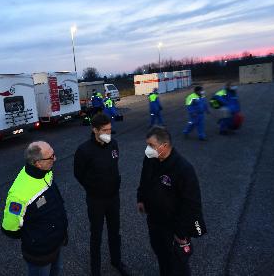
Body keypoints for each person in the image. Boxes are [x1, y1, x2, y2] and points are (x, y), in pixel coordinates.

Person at [137, 126, 207, 276]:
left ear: (165, 146)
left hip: (173, 228)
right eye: (147, 145)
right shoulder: (150, 160)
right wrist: (141, 198)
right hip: (155, 221)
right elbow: (144, 180)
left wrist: (181, 234)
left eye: (151, 146)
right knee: (161, 256)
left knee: (177, 265)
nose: (148, 150)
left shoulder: (183, 169)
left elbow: (192, 205)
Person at [74, 113, 129, 276]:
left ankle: (116, 261)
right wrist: (93, 188)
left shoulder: (114, 145)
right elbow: (78, 174)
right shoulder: (84, 150)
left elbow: (114, 167)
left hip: (113, 198)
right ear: (95, 130)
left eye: (110, 130)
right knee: (96, 235)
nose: (108, 133)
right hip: (96, 200)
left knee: (114, 232)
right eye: (104, 130)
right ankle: (95, 270)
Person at [2, 141, 68, 276]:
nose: (55, 159)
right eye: (51, 157)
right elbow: (9, 228)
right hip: (40, 254)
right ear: (37, 163)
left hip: (56, 243)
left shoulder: (46, 172)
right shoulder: (19, 195)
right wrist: (35, 237)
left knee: (57, 271)